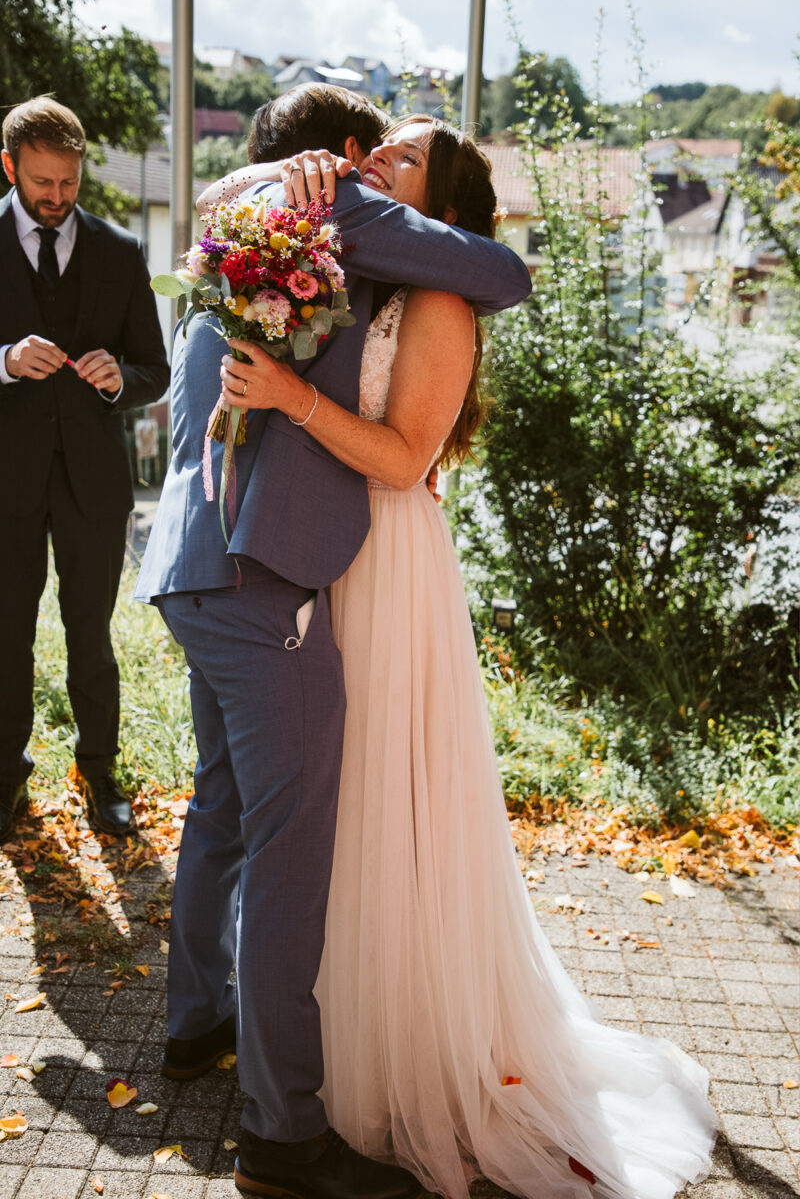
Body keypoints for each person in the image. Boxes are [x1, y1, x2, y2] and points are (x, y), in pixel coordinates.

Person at [221, 116, 719, 1199]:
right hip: (326, 561)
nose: (370, 161)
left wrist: (292, 398)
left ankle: (398, 1057)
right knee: (330, 811)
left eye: (396, 158)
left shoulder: (441, 298)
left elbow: (402, 463)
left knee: (390, 804)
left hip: (390, 565)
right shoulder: (362, 282)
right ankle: (309, 1057)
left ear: (437, 203)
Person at [134, 84, 532, 1199]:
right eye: (373, 150)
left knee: (221, 805)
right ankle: (281, 1134)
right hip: (262, 580)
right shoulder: (331, 213)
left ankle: (192, 1025)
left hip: (187, 568)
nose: (374, 165)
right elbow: (506, 273)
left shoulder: (243, 219)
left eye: (399, 158)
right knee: (294, 853)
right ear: (342, 154)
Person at [0, 96, 170, 839]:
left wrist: (118, 378)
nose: (57, 197)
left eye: (68, 182)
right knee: (5, 633)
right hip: (6, 477)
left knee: (90, 633)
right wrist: (3, 362)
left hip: (94, 481)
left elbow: (154, 370)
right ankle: (6, 775)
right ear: (9, 166)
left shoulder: (119, 251)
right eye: (42, 182)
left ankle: (100, 773)